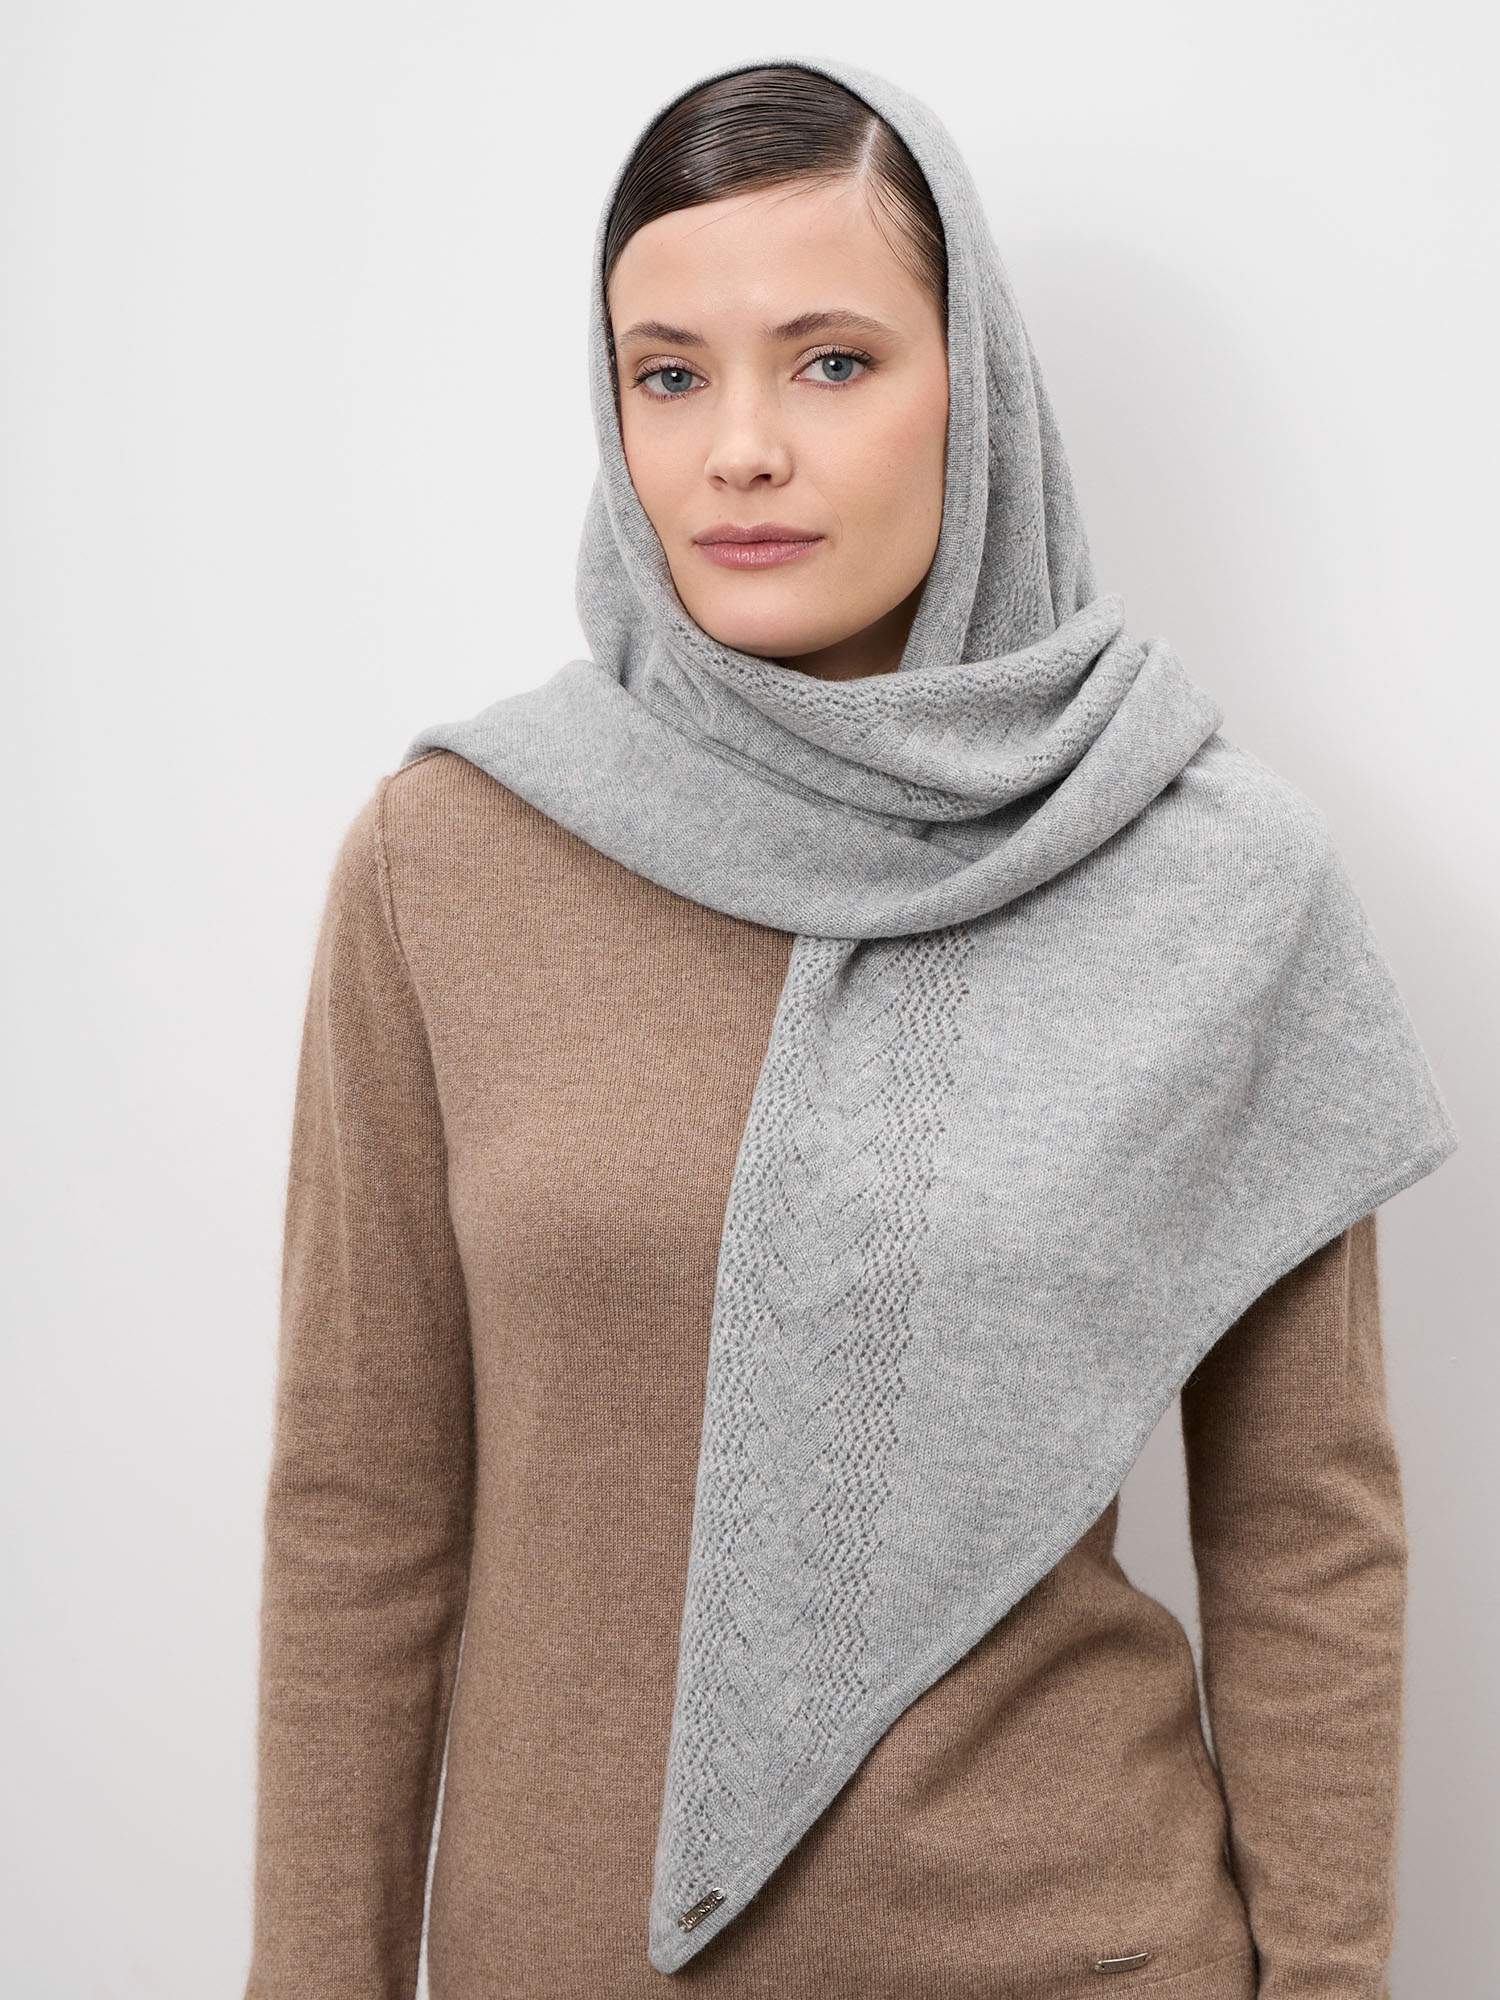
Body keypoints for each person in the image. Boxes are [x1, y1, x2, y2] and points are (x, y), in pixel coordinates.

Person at [243, 59, 1456, 2000]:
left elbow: (1306, 1535)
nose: (740, 449)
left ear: (975, 391)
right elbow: (360, 1513)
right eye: (668, 374)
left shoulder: (1215, 881)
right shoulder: (449, 858)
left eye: (829, 361)